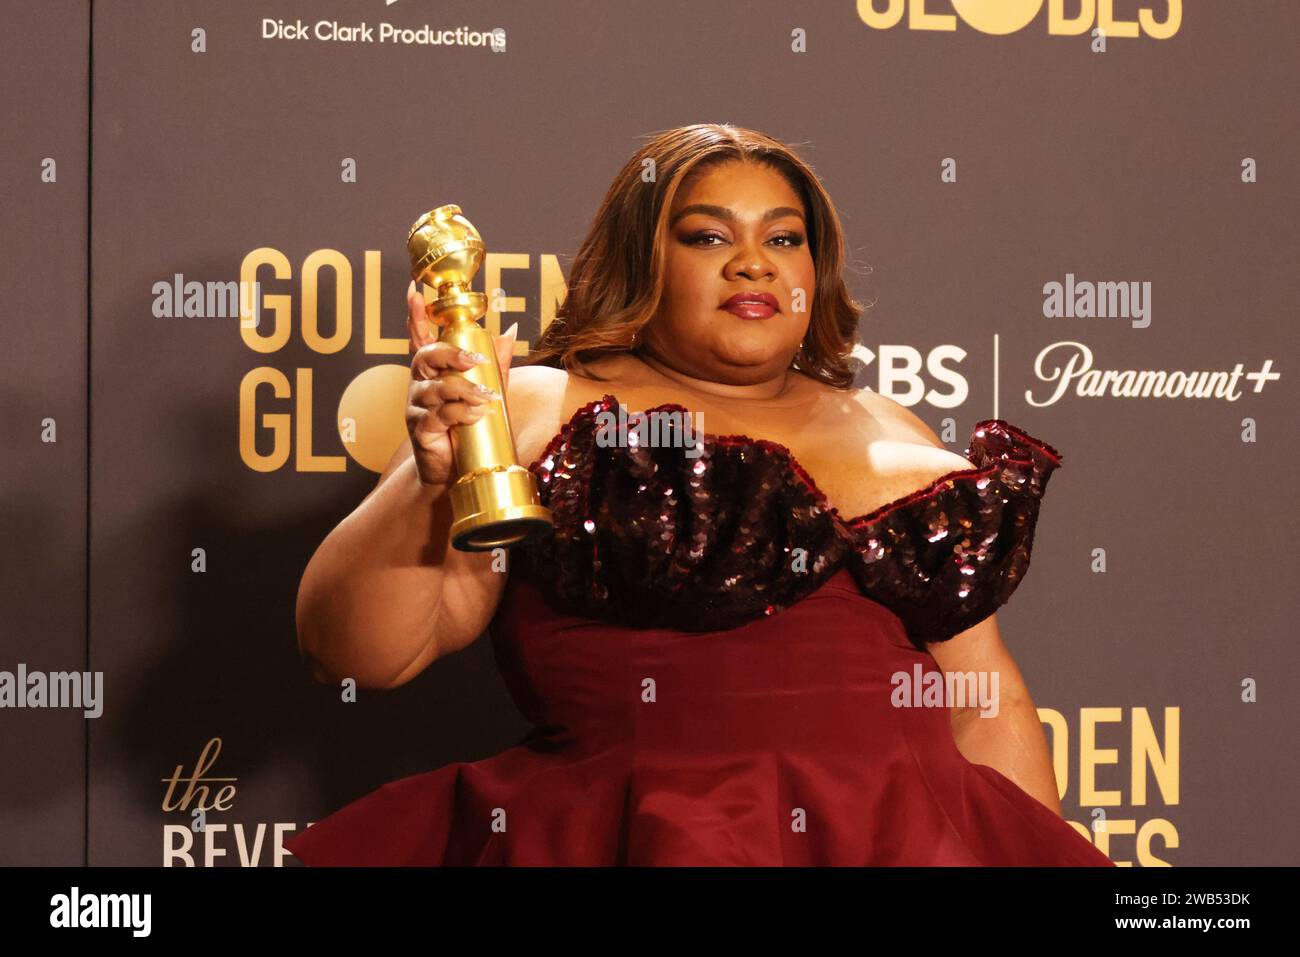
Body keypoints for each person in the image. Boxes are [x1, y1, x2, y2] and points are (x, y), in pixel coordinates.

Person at [284, 123, 1114, 866]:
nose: (754, 260)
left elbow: (985, 699)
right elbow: (356, 653)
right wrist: (428, 484)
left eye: (784, 238)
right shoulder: (535, 403)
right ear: (644, 259)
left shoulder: (889, 420)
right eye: (709, 234)